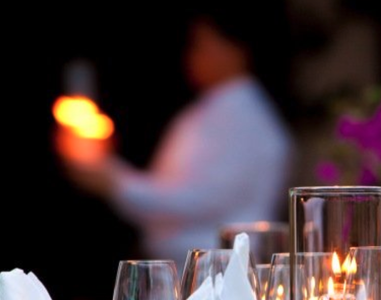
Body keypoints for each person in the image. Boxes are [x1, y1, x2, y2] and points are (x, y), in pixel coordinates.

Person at [61, 8, 292, 264]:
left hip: (215, 275)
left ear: (235, 49)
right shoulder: (207, 112)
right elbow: (168, 189)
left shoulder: (246, 118)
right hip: (186, 269)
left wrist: (115, 182)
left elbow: (202, 200)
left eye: (202, 44)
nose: (191, 54)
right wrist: (106, 168)